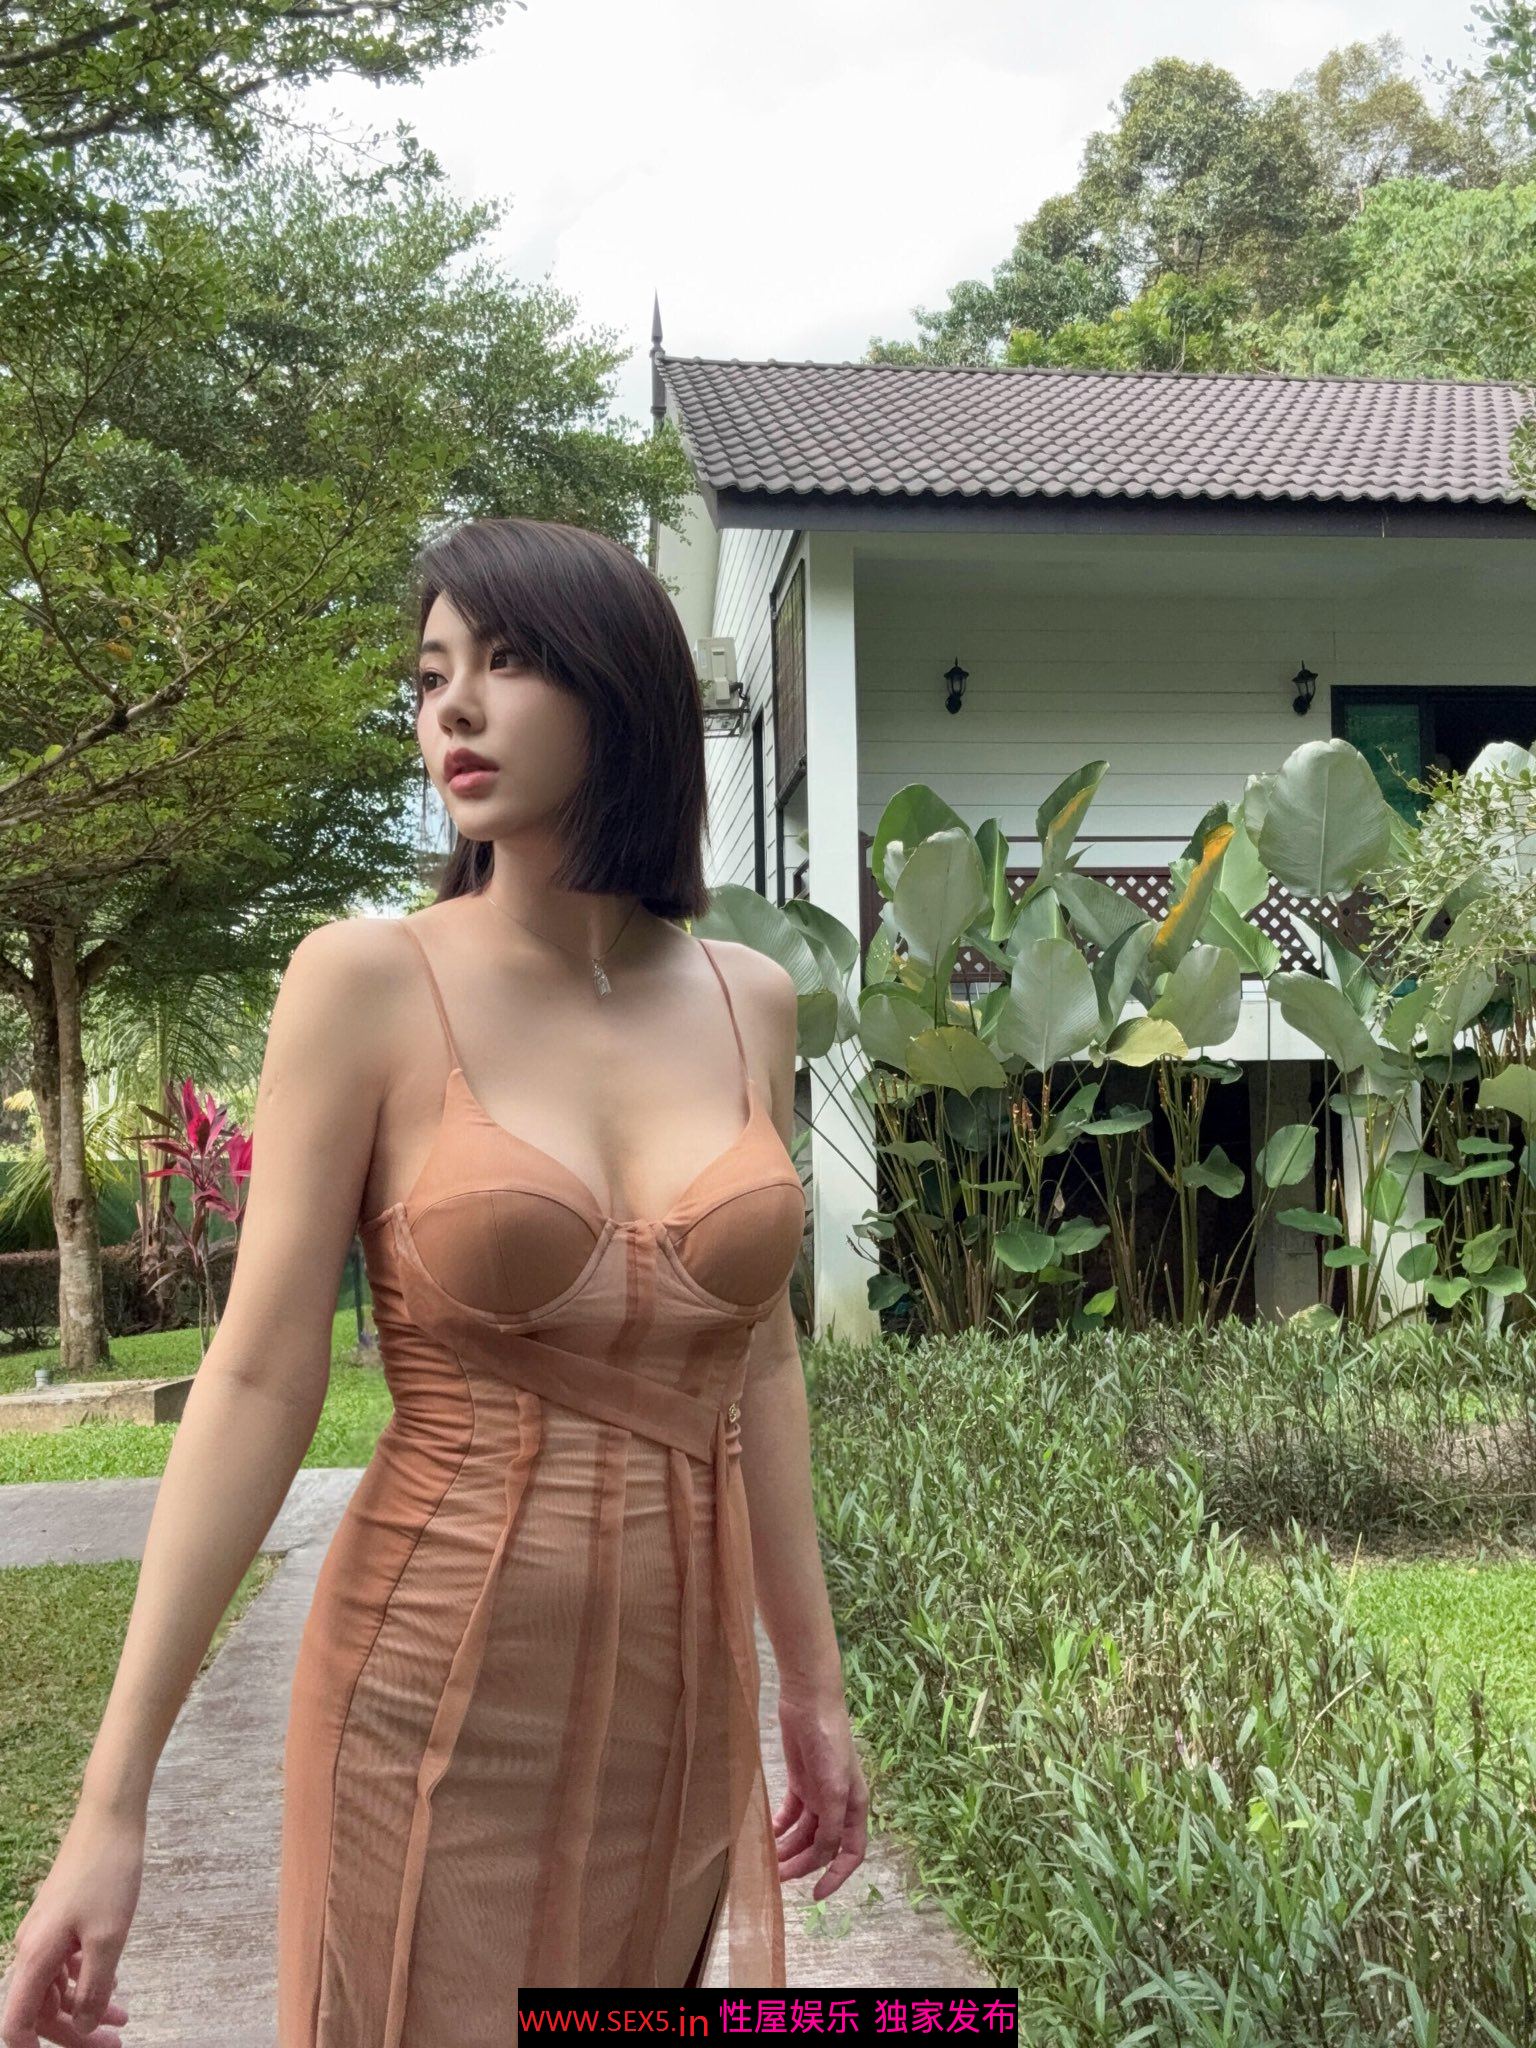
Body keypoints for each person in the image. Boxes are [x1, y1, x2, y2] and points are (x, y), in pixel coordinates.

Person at [1, 516, 867, 2047]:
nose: (451, 707)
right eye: (430, 674)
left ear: (621, 690)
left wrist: (812, 1681)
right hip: (429, 1697)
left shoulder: (753, 1002)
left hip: (677, 1717)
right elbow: (258, 1377)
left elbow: (760, 1363)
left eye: (508, 661)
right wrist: (113, 1797)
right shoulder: (365, 983)